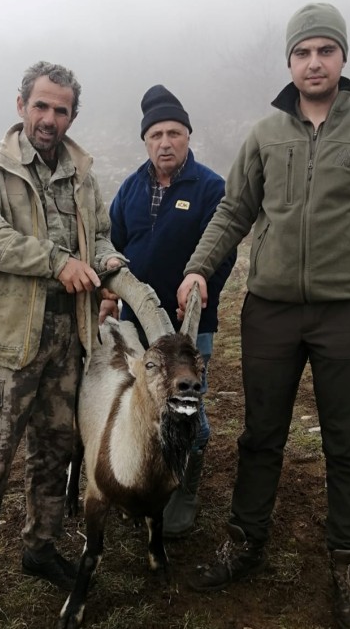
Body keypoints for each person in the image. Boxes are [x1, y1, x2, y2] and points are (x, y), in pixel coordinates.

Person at [176, 3, 350, 629]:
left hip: (347, 312)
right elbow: (234, 211)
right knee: (261, 435)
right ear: (289, 62)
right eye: (303, 52)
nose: (314, 62)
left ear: (342, 58)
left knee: (347, 440)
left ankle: (349, 560)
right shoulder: (266, 136)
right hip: (271, 312)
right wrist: (200, 267)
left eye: (325, 51)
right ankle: (245, 541)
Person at [0, 61, 126, 629]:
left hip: (66, 343)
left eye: (62, 109)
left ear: (73, 114)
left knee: (55, 456)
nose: (50, 118)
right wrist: (58, 262)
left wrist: (108, 263)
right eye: (41, 106)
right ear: (21, 104)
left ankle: (41, 548)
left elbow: (97, 233)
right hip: (5, 346)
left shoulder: (81, 172)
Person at [105, 84, 236, 538]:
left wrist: (200, 290)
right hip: (135, 329)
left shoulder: (210, 188)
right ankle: (142, 478)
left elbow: (223, 252)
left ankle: (184, 489)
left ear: (188, 136)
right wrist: (109, 289)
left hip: (190, 329)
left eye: (174, 133)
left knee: (187, 413)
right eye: (156, 134)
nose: (165, 142)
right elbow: (114, 244)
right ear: (145, 141)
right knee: (138, 407)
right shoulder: (129, 189)